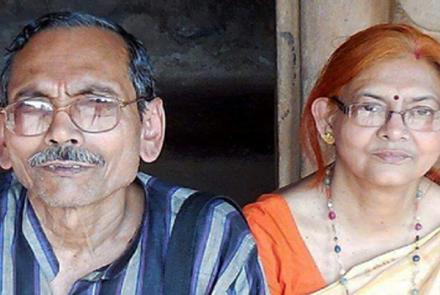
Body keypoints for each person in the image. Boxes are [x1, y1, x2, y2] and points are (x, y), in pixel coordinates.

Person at [0, 12, 267, 294]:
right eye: (32, 107)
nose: (61, 132)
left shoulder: (208, 240)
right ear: (4, 137)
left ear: (149, 128)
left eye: (97, 104)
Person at [244, 24, 440, 294]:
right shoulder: (266, 236)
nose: (394, 130)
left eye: (421, 111)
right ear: (327, 119)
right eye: (370, 107)